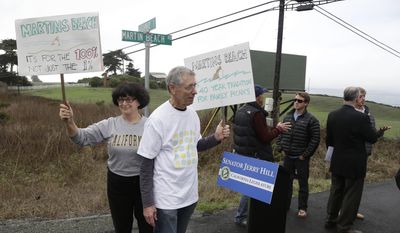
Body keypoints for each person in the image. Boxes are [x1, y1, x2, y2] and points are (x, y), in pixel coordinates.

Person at [137, 66, 230, 233]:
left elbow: (194, 146)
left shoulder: (192, 114)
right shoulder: (157, 120)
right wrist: (148, 204)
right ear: (172, 88)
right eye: (189, 87)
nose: (195, 91)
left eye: (195, 85)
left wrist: (215, 138)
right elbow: (145, 165)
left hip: (189, 196)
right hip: (167, 200)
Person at [59, 82, 153, 233]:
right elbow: (81, 137)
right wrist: (70, 122)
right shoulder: (109, 124)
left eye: (129, 99)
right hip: (117, 183)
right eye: (121, 99)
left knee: (148, 227)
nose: (124, 103)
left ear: (139, 101)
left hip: (145, 184)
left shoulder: (150, 125)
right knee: (122, 227)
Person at [324, 86, 389, 233]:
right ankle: (344, 226)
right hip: (355, 163)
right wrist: (379, 133)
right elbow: (371, 138)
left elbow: (329, 140)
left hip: (337, 160)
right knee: (351, 195)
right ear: (355, 98)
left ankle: (330, 220)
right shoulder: (361, 117)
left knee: (336, 191)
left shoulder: (332, 115)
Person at [232, 84, 291, 227]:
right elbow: (265, 137)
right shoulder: (256, 114)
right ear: (258, 97)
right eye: (262, 95)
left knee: (248, 188)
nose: (263, 97)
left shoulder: (241, 111)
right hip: (255, 155)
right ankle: (242, 216)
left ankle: (245, 215)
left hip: (243, 153)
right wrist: (278, 129)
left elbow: (245, 133)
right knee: (251, 189)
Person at [276, 92, 320, 218]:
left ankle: (302, 208)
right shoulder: (288, 117)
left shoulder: (312, 120)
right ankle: (285, 205)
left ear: (306, 103)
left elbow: (315, 140)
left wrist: (305, 155)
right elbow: (281, 133)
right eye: (295, 100)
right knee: (286, 183)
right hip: (288, 156)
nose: (296, 102)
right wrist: (281, 147)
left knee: (303, 184)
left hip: (301, 158)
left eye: (299, 101)